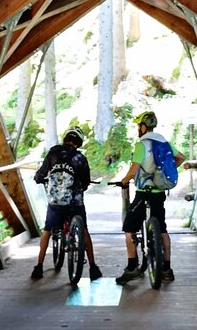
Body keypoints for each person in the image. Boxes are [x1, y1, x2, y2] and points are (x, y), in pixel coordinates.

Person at [115, 111, 186, 285]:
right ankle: (167, 269)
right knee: (162, 229)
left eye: (138, 126)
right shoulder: (164, 141)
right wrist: (164, 173)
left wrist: (123, 181)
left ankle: (132, 268)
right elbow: (181, 158)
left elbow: (133, 171)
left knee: (129, 229)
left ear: (143, 126)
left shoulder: (142, 145)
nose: (138, 129)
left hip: (143, 192)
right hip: (159, 193)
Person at [30, 126, 102, 281]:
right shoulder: (80, 158)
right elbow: (86, 182)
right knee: (83, 230)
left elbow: (40, 174)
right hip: (75, 202)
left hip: (55, 202)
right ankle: (93, 267)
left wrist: (39, 179)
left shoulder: (53, 154)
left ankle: (39, 267)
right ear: (79, 142)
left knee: (47, 231)